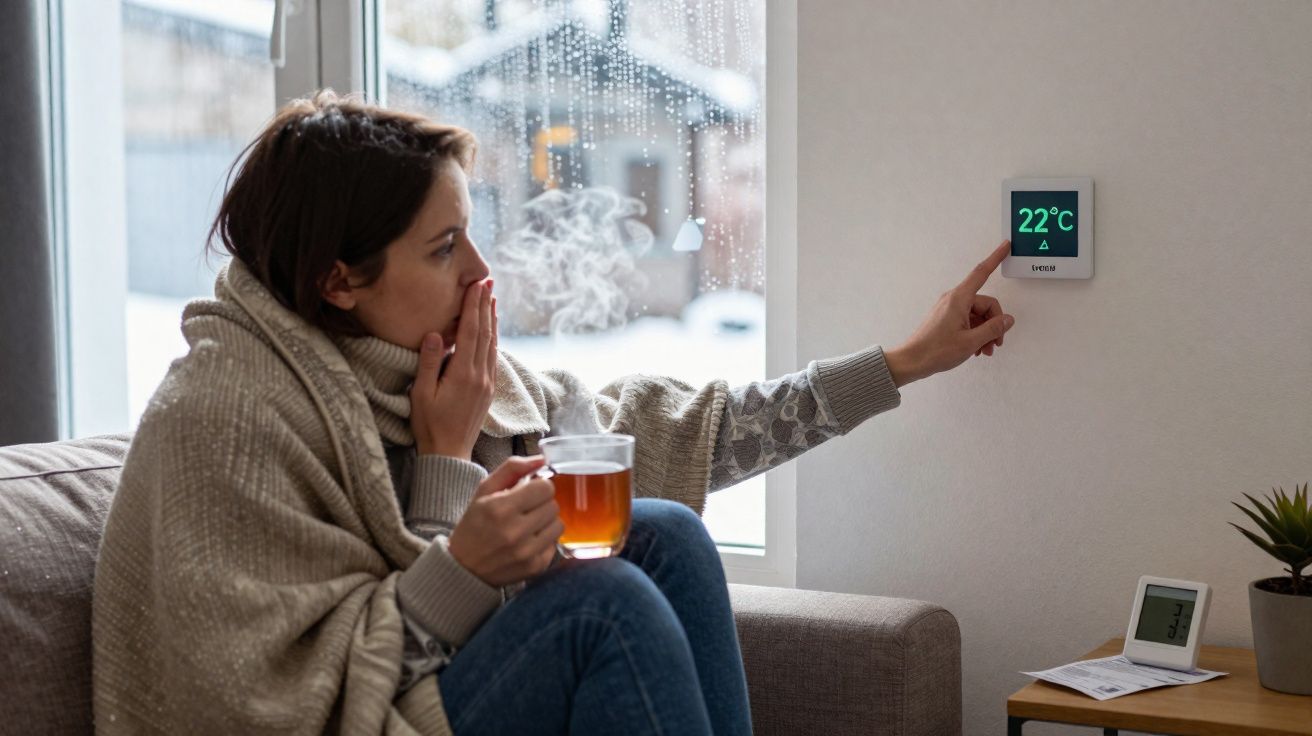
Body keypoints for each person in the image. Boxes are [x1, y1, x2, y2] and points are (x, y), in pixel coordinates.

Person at [91, 91, 1015, 736]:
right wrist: (450, 483)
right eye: (445, 248)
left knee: (662, 536)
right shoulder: (225, 416)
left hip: (431, 693)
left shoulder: (441, 368)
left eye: (472, 232)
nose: (481, 274)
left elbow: (679, 434)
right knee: (602, 607)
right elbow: (273, 705)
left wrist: (903, 362)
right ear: (339, 279)